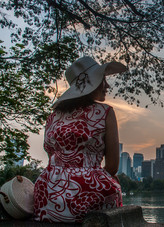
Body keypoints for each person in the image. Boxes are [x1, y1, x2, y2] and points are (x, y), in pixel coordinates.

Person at [33, 56, 127, 222]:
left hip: (47, 193)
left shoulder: (53, 117)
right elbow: (112, 166)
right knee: (112, 186)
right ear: (93, 84)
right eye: (103, 80)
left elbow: (53, 161)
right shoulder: (104, 112)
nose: (107, 86)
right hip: (87, 193)